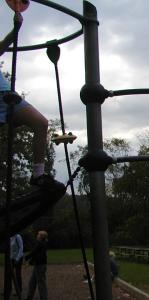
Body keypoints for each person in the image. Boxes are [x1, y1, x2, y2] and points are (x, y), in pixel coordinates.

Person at [0, 12, 57, 189]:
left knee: (41, 123)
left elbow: (3, 45)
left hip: (7, 96)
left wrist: (16, 28)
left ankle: (38, 174)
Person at [24, 230, 48, 300]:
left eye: (38, 234)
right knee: (32, 282)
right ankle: (29, 297)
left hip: (40, 266)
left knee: (41, 284)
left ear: (41, 237)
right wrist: (30, 262)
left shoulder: (41, 244)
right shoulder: (41, 243)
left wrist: (26, 258)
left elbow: (34, 253)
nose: (37, 235)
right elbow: (36, 254)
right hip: (38, 265)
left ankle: (44, 298)